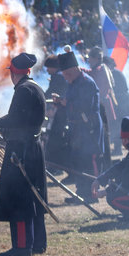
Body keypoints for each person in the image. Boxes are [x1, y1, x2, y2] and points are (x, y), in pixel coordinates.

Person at [0, 53, 47, 256]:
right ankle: (37, 243)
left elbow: (14, 119)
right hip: (31, 147)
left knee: (21, 199)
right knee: (33, 196)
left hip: (21, 150)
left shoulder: (23, 90)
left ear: (14, 72)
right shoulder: (34, 88)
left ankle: (22, 246)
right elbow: (22, 120)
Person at [51, 51, 107, 201]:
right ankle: (81, 193)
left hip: (89, 128)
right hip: (77, 129)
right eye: (64, 74)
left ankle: (92, 194)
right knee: (78, 161)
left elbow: (85, 106)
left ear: (75, 68)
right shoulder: (73, 83)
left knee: (90, 159)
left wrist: (65, 103)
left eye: (68, 73)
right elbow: (70, 105)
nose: (66, 77)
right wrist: (60, 104)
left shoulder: (87, 83)